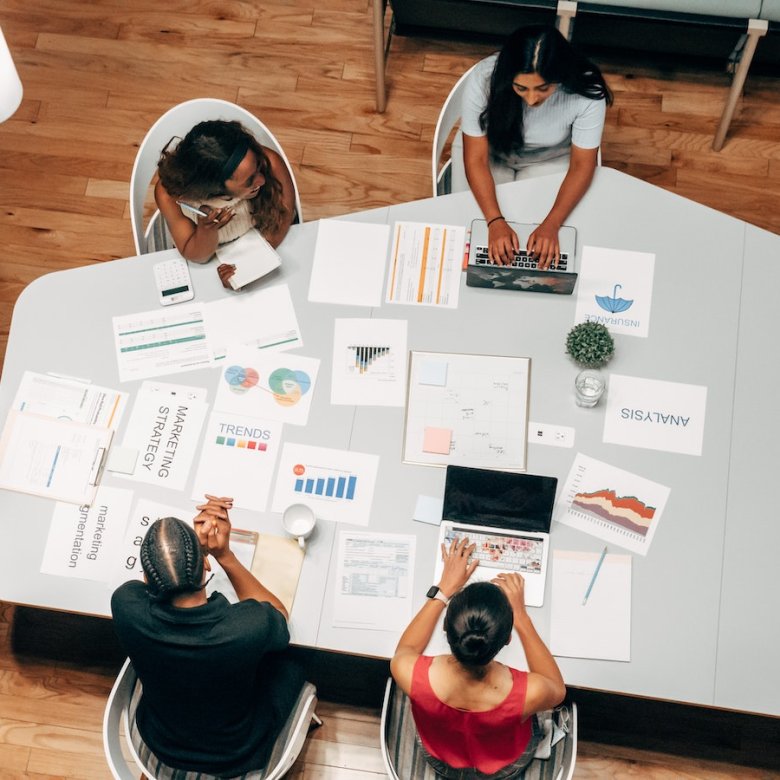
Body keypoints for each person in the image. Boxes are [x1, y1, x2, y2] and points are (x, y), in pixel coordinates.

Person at [111, 494, 304, 777]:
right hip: (237, 752)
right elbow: (278, 614)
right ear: (207, 566)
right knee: (291, 663)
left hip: (162, 741)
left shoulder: (126, 605)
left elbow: (146, 588)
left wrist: (180, 558)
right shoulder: (246, 628)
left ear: (145, 580)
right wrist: (223, 554)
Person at [391, 537, 566, 779]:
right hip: (503, 766)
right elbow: (557, 689)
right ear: (507, 639)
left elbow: (406, 647)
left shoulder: (408, 671)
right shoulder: (528, 693)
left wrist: (443, 591)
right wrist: (522, 617)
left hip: (440, 759)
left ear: (445, 628)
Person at [460, 25, 612, 268]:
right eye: (521, 88)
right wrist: (494, 220)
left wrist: (551, 224)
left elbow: (583, 164)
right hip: (492, 156)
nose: (531, 99)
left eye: (543, 88)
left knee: (548, 238)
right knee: (473, 232)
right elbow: (475, 159)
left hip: (549, 159)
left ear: (561, 76)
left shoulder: (587, 91)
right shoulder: (484, 78)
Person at [155, 120, 297, 287]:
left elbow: (282, 217)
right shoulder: (169, 196)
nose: (262, 179)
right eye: (249, 181)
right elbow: (198, 257)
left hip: (264, 241)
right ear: (215, 190)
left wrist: (249, 268)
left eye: (258, 166)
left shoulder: (270, 161)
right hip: (210, 257)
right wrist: (207, 230)